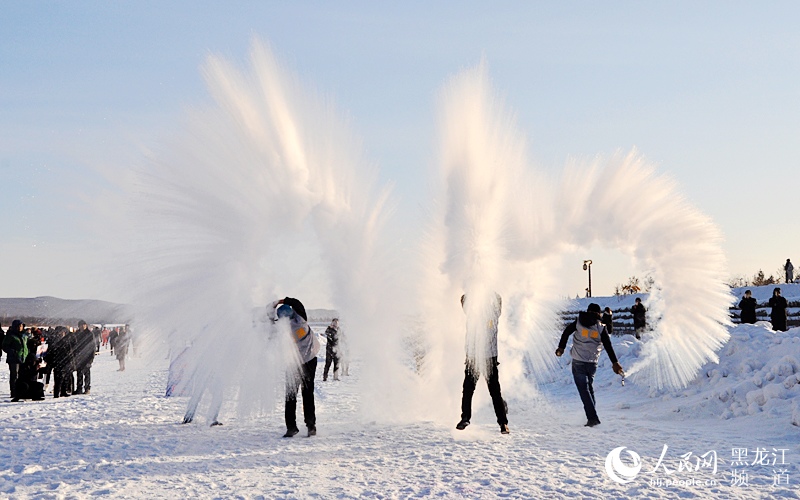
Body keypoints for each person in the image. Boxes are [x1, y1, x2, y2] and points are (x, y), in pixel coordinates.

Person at [556, 303, 624, 427]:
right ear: (599, 314)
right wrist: (615, 362)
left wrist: (561, 348)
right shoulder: (600, 327)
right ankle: (591, 416)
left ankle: (592, 418)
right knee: (588, 388)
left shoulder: (579, 322)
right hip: (592, 363)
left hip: (578, 361)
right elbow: (608, 345)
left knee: (584, 390)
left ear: (588, 311)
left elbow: (566, 332)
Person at [456, 293, 509, 434]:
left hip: (489, 358)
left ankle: (503, 423)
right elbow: (463, 300)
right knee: (468, 389)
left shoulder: (494, 315)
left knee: (495, 392)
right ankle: (465, 418)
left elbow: (499, 300)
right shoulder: (472, 316)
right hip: (472, 358)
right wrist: (471, 289)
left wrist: (489, 288)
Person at [270, 297, 319, 438]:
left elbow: (268, 322)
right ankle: (311, 427)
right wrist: (282, 300)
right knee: (308, 394)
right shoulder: (301, 321)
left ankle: (291, 428)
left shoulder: (282, 331)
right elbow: (297, 304)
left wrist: (271, 308)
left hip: (293, 365)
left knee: (290, 396)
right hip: (310, 360)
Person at [2, 320, 29, 400]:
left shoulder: (24, 335)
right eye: (19, 326)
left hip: (23, 357)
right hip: (13, 358)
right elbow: (4, 346)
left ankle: (21, 392)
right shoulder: (10, 335)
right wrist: (12, 351)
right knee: (14, 375)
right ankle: (13, 392)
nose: (21, 327)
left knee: (22, 375)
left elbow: (25, 345)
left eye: (22, 326)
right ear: (15, 327)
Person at [73, 320, 95, 395]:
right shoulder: (77, 334)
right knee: (79, 373)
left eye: (84, 325)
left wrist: (91, 359)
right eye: (81, 325)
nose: (82, 326)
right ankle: (79, 388)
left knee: (86, 373)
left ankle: (87, 388)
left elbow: (93, 346)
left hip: (87, 356)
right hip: (78, 356)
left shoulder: (89, 334)